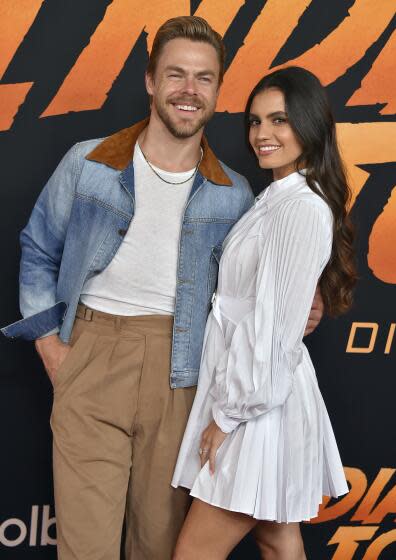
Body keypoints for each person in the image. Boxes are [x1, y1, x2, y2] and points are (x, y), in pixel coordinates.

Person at [1, 17, 323, 560]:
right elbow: (37, 250)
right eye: (176, 75)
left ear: (218, 92)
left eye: (203, 78)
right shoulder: (88, 163)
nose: (189, 91)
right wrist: (52, 348)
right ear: (151, 81)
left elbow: (262, 284)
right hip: (92, 357)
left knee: (159, 547)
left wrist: (303, 309)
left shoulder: (235, 194)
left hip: (186, 373)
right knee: (85, 549)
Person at [172, 66, 357, 560]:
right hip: (255, 399)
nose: (262, 134)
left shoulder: (300, 208)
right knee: (277, 541)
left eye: (279, 120)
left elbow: (273, 332)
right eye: (255, 121)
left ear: (309, 125)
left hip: (255, 407)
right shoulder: (275, 200)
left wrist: (227, 417)